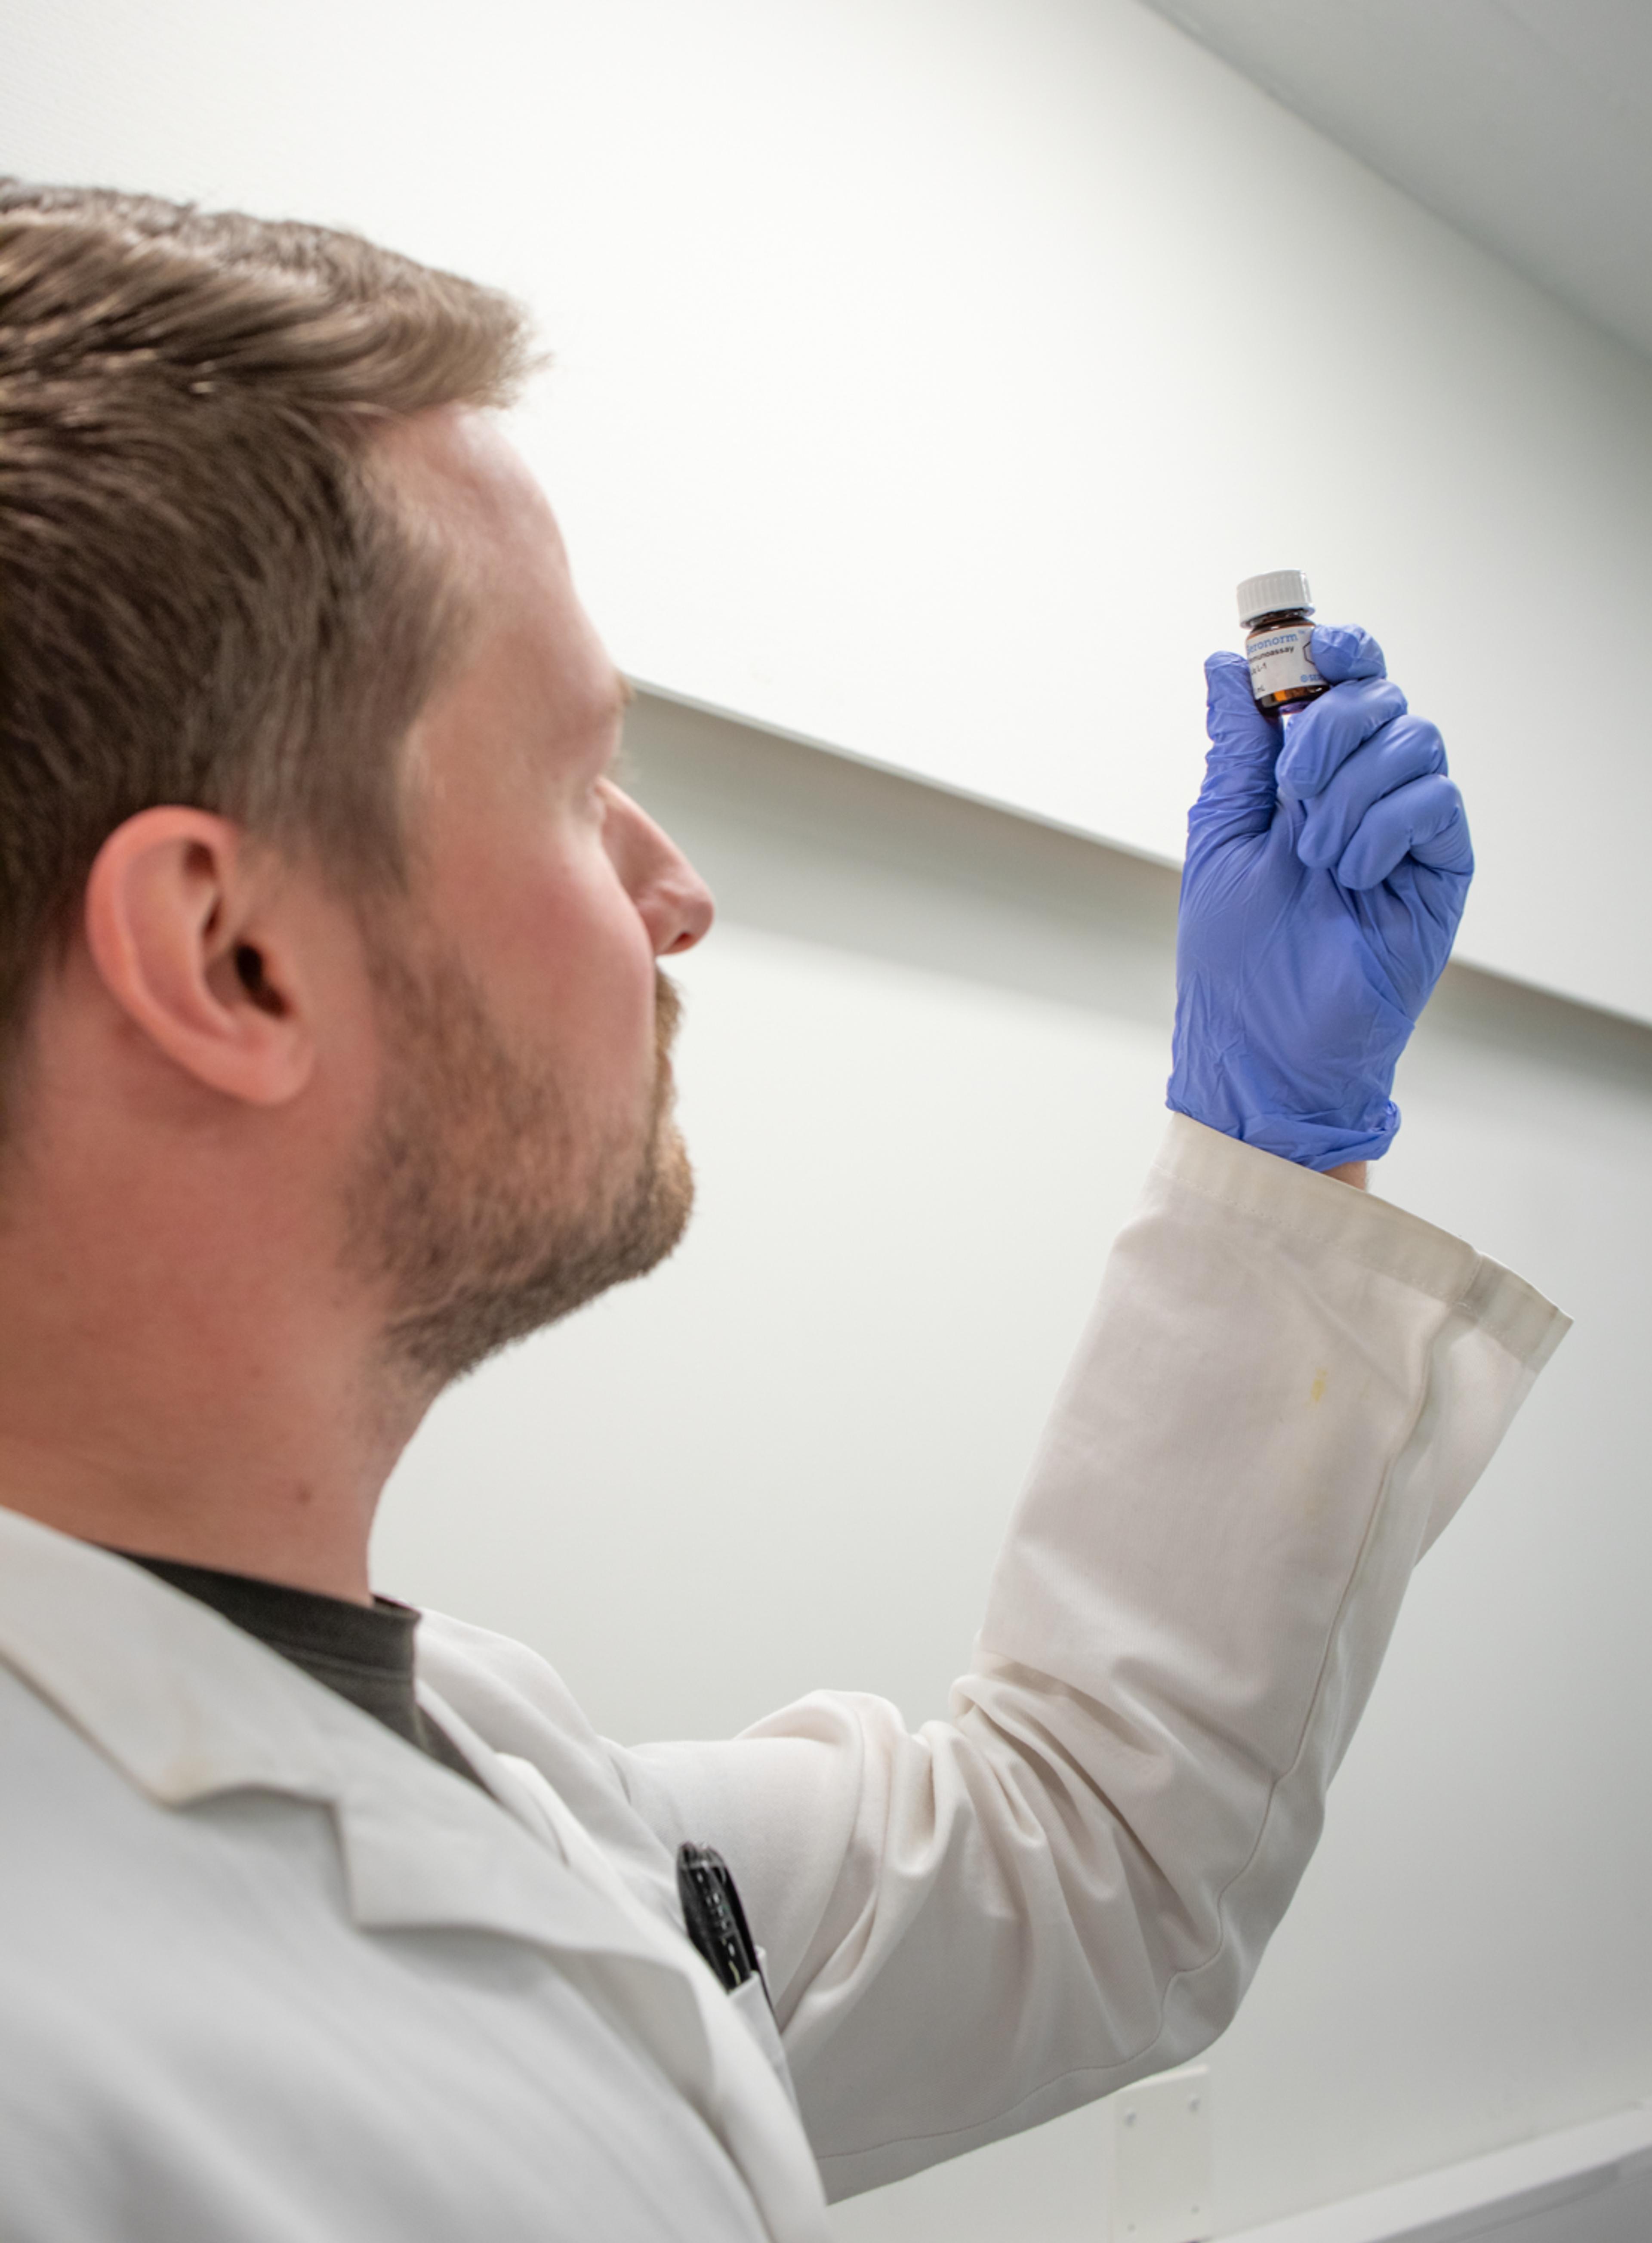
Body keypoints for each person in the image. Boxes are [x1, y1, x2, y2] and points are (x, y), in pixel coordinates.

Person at [0, 182, 1565, 2243]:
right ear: (234, 959)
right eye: (580, 784)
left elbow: (1085, 1856)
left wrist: (1275, 1132)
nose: (677, 896)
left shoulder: (466, 1751)